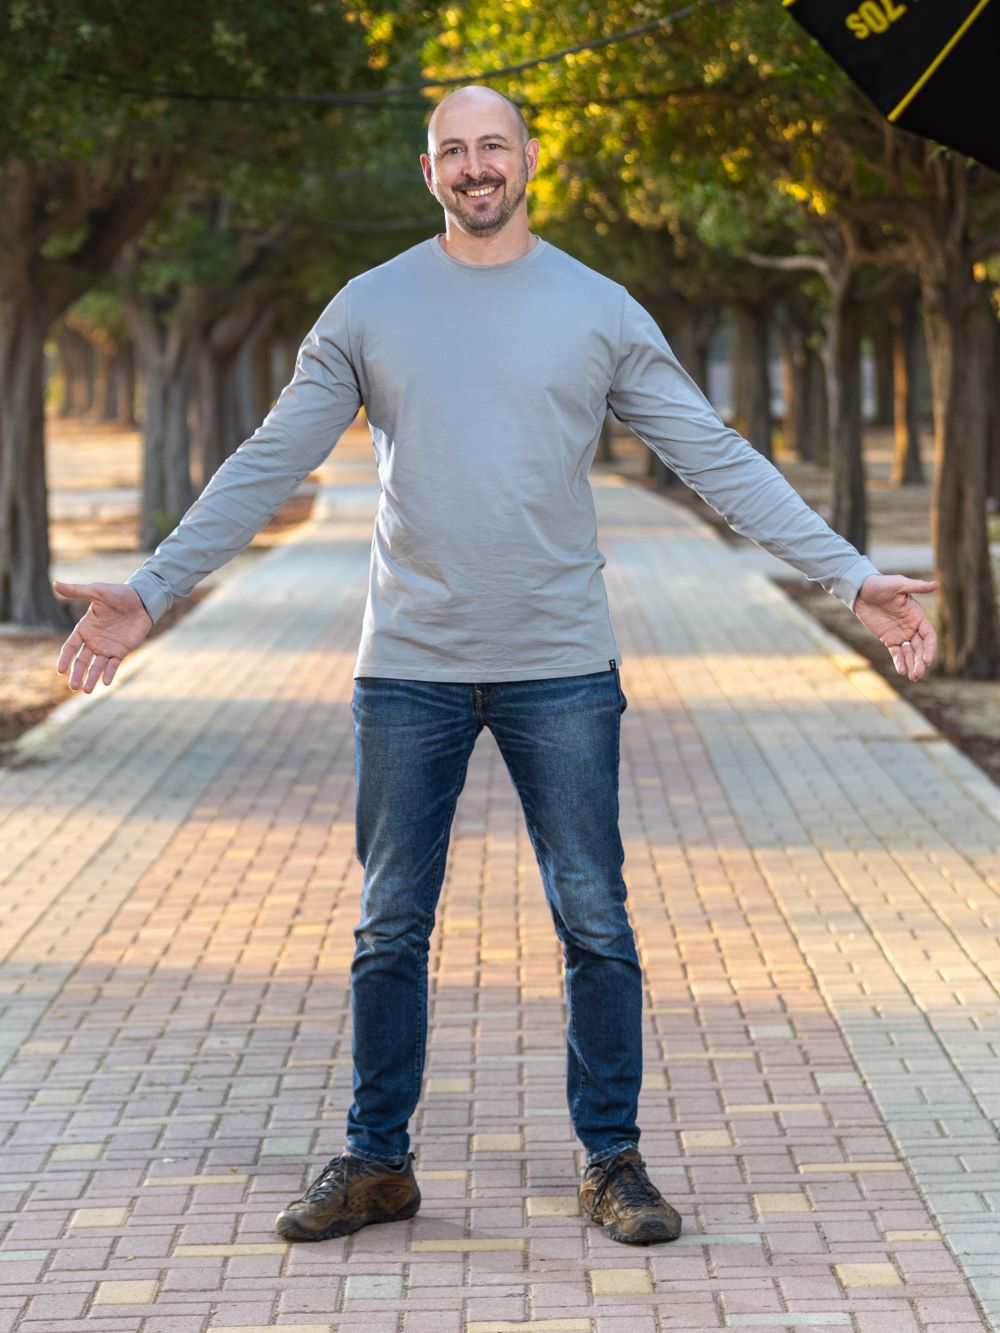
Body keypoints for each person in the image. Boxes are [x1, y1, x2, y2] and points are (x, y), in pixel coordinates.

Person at [54, 85, 937, 1248]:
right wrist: (155, 588)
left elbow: (714, 458)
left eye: (493, 147)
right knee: (387, 925)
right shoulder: (369, 307)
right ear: (430, 173)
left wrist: (847, 574)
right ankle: (378, 1163)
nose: (475, 167)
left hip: (560, 663)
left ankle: (611, 1161)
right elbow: (270, 458)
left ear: (530, 159)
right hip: (407, 665)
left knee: (595, 921)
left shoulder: (598, 308)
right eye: (453, 151)